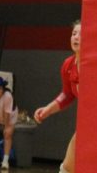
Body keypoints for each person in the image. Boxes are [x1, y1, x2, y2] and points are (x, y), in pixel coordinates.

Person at [34, 21, 80, 173]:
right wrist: (48, 109)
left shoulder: (95, 65)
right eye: (74, 33)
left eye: (81, 34)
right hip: (85, 125)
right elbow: (67, 94)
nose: (76, 37)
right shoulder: (68, 65)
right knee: (67, 168)